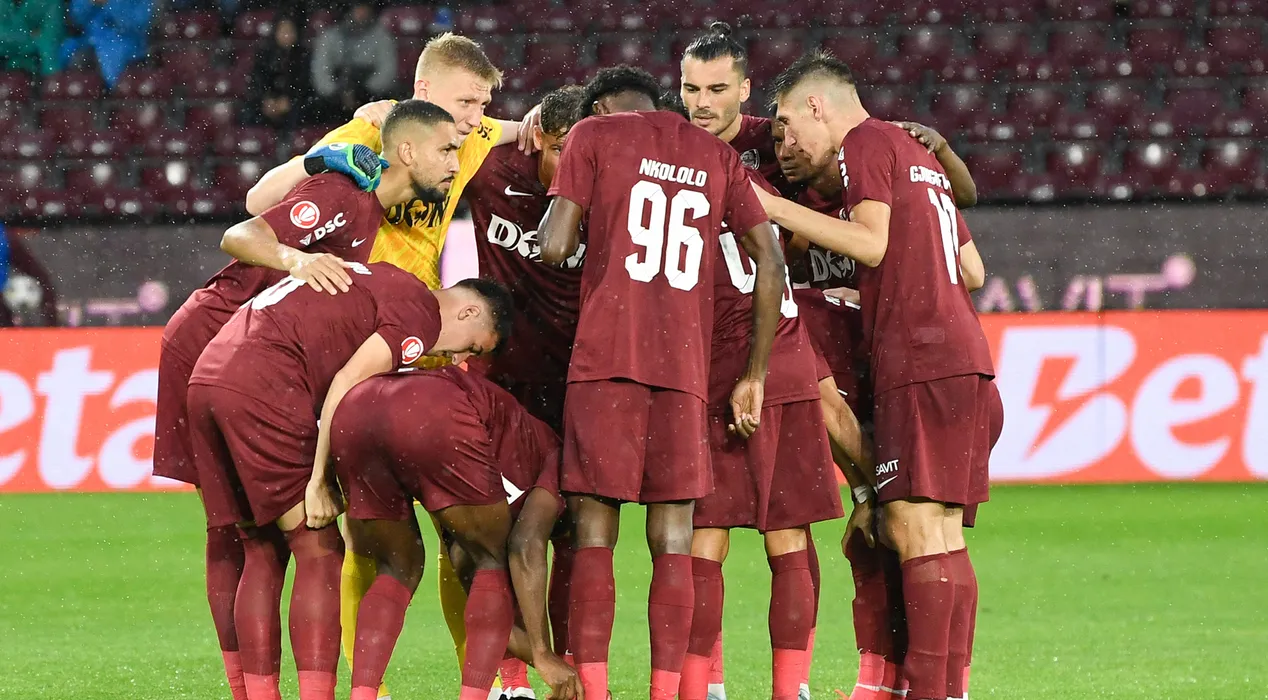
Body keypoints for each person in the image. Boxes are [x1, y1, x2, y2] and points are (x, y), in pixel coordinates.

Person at [244, 36, 531, 695]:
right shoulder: (370, 135)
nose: (476, 118)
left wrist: (539, 120)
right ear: (423, 93)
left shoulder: (467, 138)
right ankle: (364, 684)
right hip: (356, 349)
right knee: (367, 534)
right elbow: (260, 200)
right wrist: (330, 150)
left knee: (463, 530)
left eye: (483, 104)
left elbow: (523, 128)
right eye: (466, 102)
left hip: (425, 344)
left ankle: (485, 683)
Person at [150, 100, 452, 700]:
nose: (455, 160)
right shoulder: (345, 194)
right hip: (217, 340)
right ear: (407, 150)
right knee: (253, 536)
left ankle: (248, 690)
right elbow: (240, 232)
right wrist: (295, 257)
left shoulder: (365, 210)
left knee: (256, 537)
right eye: (447, 147)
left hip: (247, 353)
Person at [537, 65, 787, 700]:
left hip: (606, 362)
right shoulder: (716, 155)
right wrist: (754, 372)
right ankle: (666, 690)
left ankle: (594, 691)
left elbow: (554, 247)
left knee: (595, 535)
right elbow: (771, 259)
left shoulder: (594, 137)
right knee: (673, 539)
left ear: (599, 109)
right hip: (683, 371)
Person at [758, 52, 1003, 700]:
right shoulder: (914, 153)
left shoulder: (864, 142)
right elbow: (972, 270)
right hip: (962, 355)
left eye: (788, 123)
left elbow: (872, 244)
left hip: (919, 360)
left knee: (915, 533)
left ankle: (923, 690)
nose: (786, 139)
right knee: (938, 537)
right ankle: (948, 690)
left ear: (816, 106)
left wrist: (771, 208)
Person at [187, 261, 511, 700]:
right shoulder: (421, 313)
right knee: (318, 549)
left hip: (208, 375)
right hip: (263, 382)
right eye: (471, 347)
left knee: (261, 547)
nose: (458, 360)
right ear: (469, 312)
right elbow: (346, 379)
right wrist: (319, 479)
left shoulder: (386, 278)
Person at [678, 163, 845, 700]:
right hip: (788, 362)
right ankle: (790, 690)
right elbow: (790, 246)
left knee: (704, 540)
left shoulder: (683, 185)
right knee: (789, 539)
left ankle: (699, 689)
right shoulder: (762, 186)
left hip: (719, 367)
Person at [328, 365, 579, 700]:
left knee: (398, 567)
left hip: (356, 409)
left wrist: (540, 657)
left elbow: (482, 603)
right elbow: (525, 545)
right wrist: (544, 653)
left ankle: (364, 695)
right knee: (491, 564)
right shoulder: (557, 464)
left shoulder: (486, 504)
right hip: (431, 411)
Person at [462, 83, 586, 699]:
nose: (568, 167)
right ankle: (511, 682)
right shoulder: (491, 173)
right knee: (494, 534)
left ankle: (574, 669)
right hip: (502, 382)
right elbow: (430, 130)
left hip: (577, 386)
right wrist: (512, 125)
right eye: (559, 149)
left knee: (572, 535)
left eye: (579, 152)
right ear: (540, 139)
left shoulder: (608, 191)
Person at [311, 2, 396, 120]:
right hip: (334, 97)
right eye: (357, 8)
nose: (361, 13)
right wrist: (335, 93)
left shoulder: (382, 37)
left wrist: (365, 91)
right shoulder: (330, 36)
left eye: (364, 8)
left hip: (371, 96)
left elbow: (387, 71)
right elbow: (321, 71)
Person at [243, 15, 315, 130]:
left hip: (295, 104)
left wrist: (290, 101)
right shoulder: (264, 55)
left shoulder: (304, 56)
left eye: (290, 31)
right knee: (247, 113)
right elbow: (257, 81)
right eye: (283, 31)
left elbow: (306, 84)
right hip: (267, 104)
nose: (287, 35)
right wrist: (266, 101)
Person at [61, 0, 152, 89]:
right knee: (70, 53)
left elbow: (138, 22)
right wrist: (90, 2)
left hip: (126, 44)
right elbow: (76, 17)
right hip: (88, 41)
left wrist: (110, 3)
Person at [0, 0, 62, 77]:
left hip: (36, 67)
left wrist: (51, 74)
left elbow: (50, 40)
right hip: (7, 64)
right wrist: (31, 37)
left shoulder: (49, 3)